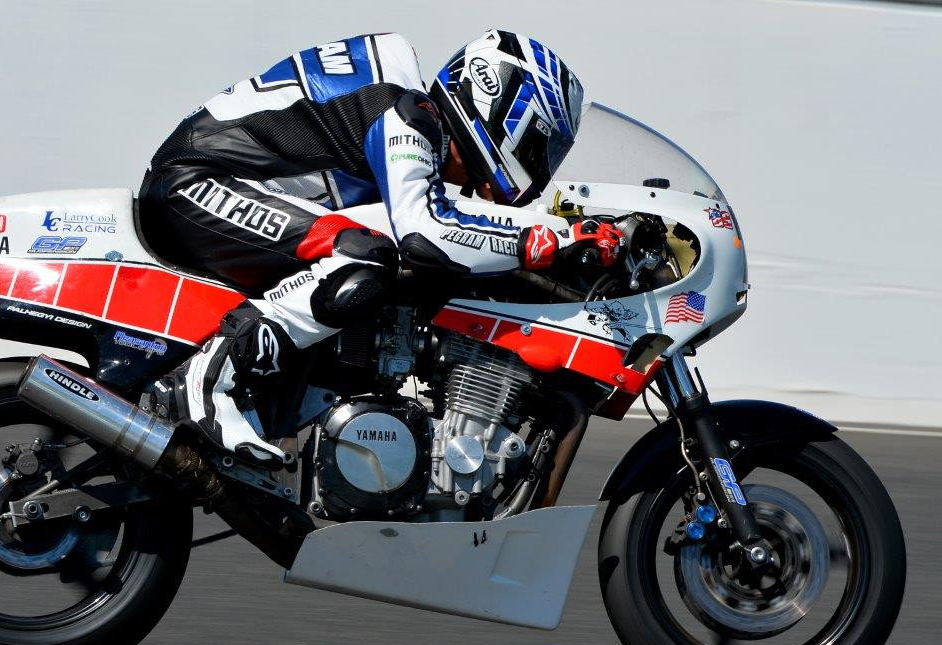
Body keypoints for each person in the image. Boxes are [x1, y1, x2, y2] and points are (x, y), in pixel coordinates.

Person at [140, 30, 621, 468]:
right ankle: (207, 382)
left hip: (219, 184)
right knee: (366, 257)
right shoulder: (407, 112)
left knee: (379, 267)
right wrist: (549, 239)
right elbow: (425, 232)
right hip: (194, 184)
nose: (538, 170)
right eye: (539, 149)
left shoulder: (406, 111)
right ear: (504, 107)